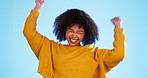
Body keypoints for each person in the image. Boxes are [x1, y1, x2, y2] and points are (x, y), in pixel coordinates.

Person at [23, 0, 125, 78]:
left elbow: (118, 54)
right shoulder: (50, 48)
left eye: (79, 32)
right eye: (71, 30)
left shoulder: (94, 53)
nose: (74, 35)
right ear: (65, 30)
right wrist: (37, 8)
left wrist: (118, 28)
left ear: (85, 35)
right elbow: (28, 32)